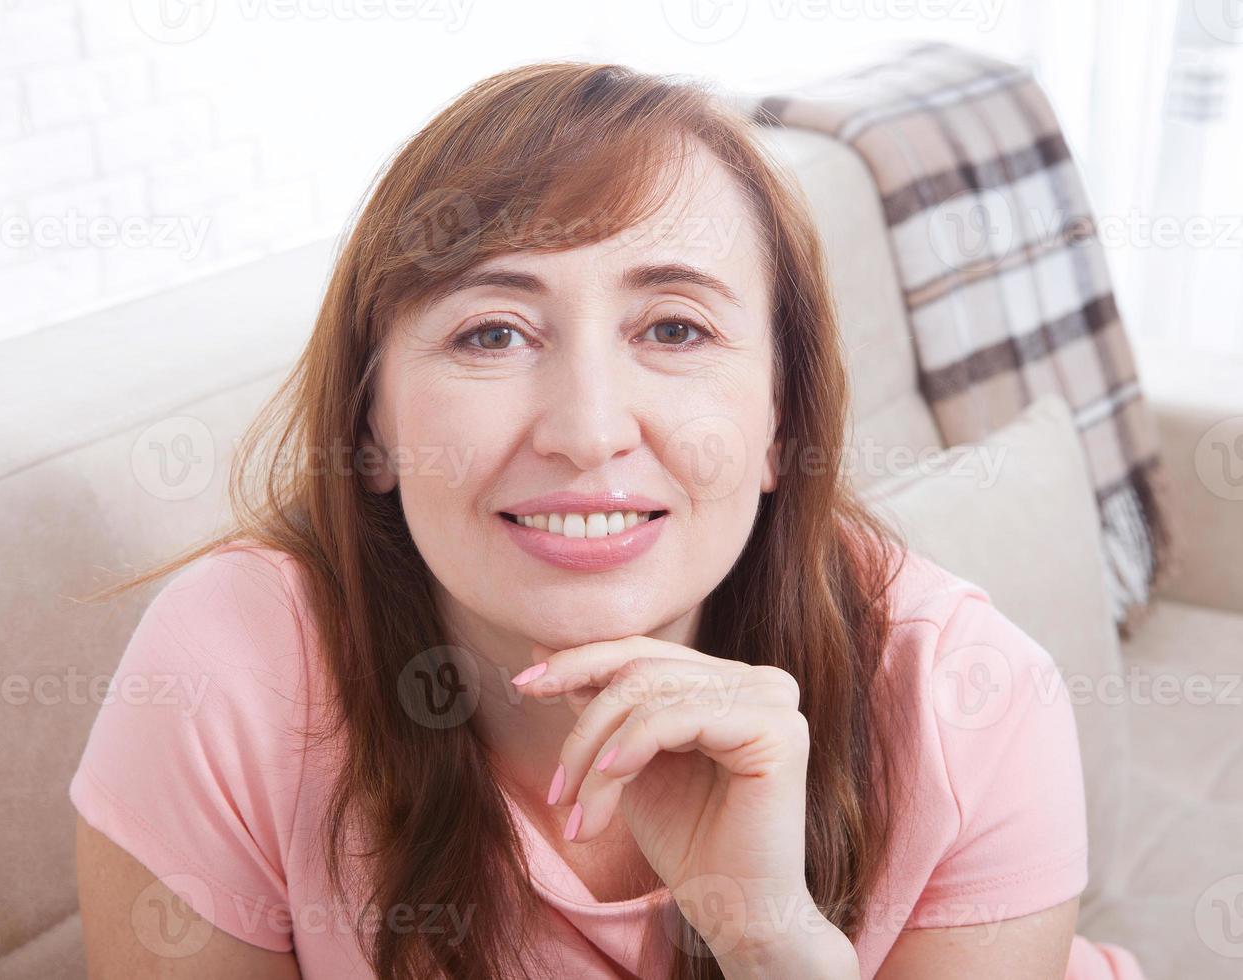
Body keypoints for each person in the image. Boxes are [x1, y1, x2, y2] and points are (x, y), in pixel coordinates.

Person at [70, 62, 1133, 979]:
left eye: (673, 327)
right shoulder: (227, 669)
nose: (586, 430)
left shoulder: (975, 701)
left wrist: (772, 939)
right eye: (492, 333)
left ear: (778, 421)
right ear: (373, 425)